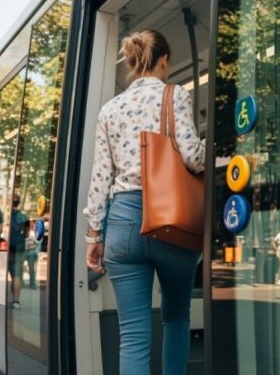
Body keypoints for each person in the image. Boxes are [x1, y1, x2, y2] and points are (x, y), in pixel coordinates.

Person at [83, 29, 205, 375]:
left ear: (135, 64)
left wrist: (94, 237)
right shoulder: (174, 95)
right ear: (163, 60)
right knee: (177, 317)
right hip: (171, 221)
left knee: (133, 333)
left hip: (122, 224)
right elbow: (193, 158)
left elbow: (100, 178)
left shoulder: (110, 109)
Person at [8, 195, 29, 309]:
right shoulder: (25, 217)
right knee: (17, 274)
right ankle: (16, 301)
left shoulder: (5, 215)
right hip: (19, 245)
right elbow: (26, 234)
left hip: (7, 245)